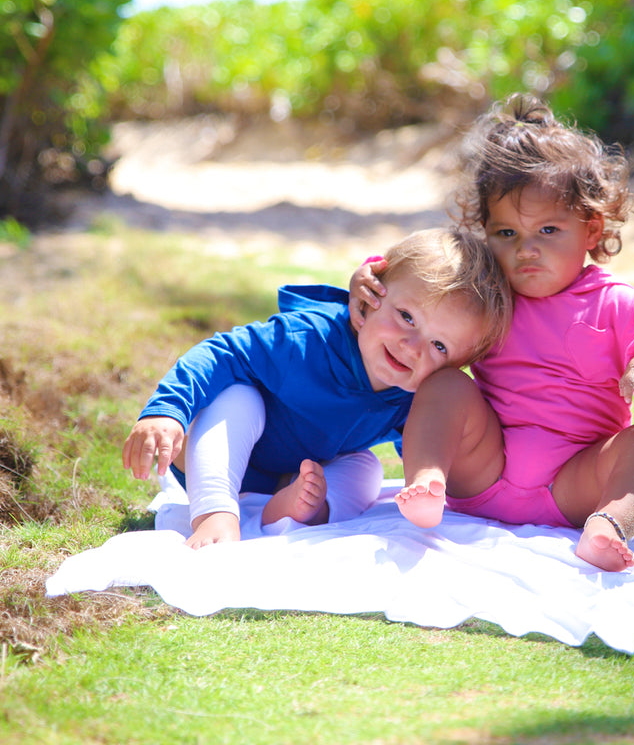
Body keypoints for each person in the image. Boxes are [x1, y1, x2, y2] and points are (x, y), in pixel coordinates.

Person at [350, 95, 634, 572]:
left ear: (592, 230)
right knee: (447, 385)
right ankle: (428, 481)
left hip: (573, 482)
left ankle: (609, 524)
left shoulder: (616, 301)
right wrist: (369, 275)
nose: (526, 250)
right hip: (483, 469)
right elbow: (422, 283)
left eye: (549, 230)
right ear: (485, 230)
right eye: (507, 233)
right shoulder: (488, 292)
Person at [122, 227, 511, 549]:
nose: (412, 346)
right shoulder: (307, 338)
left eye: (439, 345)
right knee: (239, 396)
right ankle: (215, 515)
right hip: (210, 450)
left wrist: (436, 487)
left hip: (290, 475)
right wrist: (167, 410)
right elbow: (220, 353)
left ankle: (294, 508)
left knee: (366, 468)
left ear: (455, 364)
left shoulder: (409, 396)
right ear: (372, 294)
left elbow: (424, 448)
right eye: (407, 316)